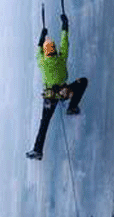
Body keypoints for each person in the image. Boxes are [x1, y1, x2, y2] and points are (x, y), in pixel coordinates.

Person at [26, 11, 88, 160]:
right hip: (64, 92)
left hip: (50, 97)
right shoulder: (61, 59)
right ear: (54, 50)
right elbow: (65, 44)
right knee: (83, 81)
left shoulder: (43, 62)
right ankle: (72, 107)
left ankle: (38, 150)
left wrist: (41, 38)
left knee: (44, 123)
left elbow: (38, 52)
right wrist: (65, 26)